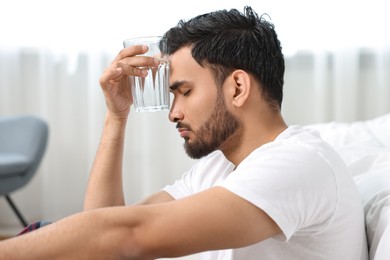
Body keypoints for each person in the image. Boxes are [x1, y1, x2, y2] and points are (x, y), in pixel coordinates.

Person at [0, 6, 368, 260]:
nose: (173, 113)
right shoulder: (222, 167)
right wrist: (117, 116)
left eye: (184, 91)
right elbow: (104, 237)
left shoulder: (297, 163)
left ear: (237, 87)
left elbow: (126, 237)